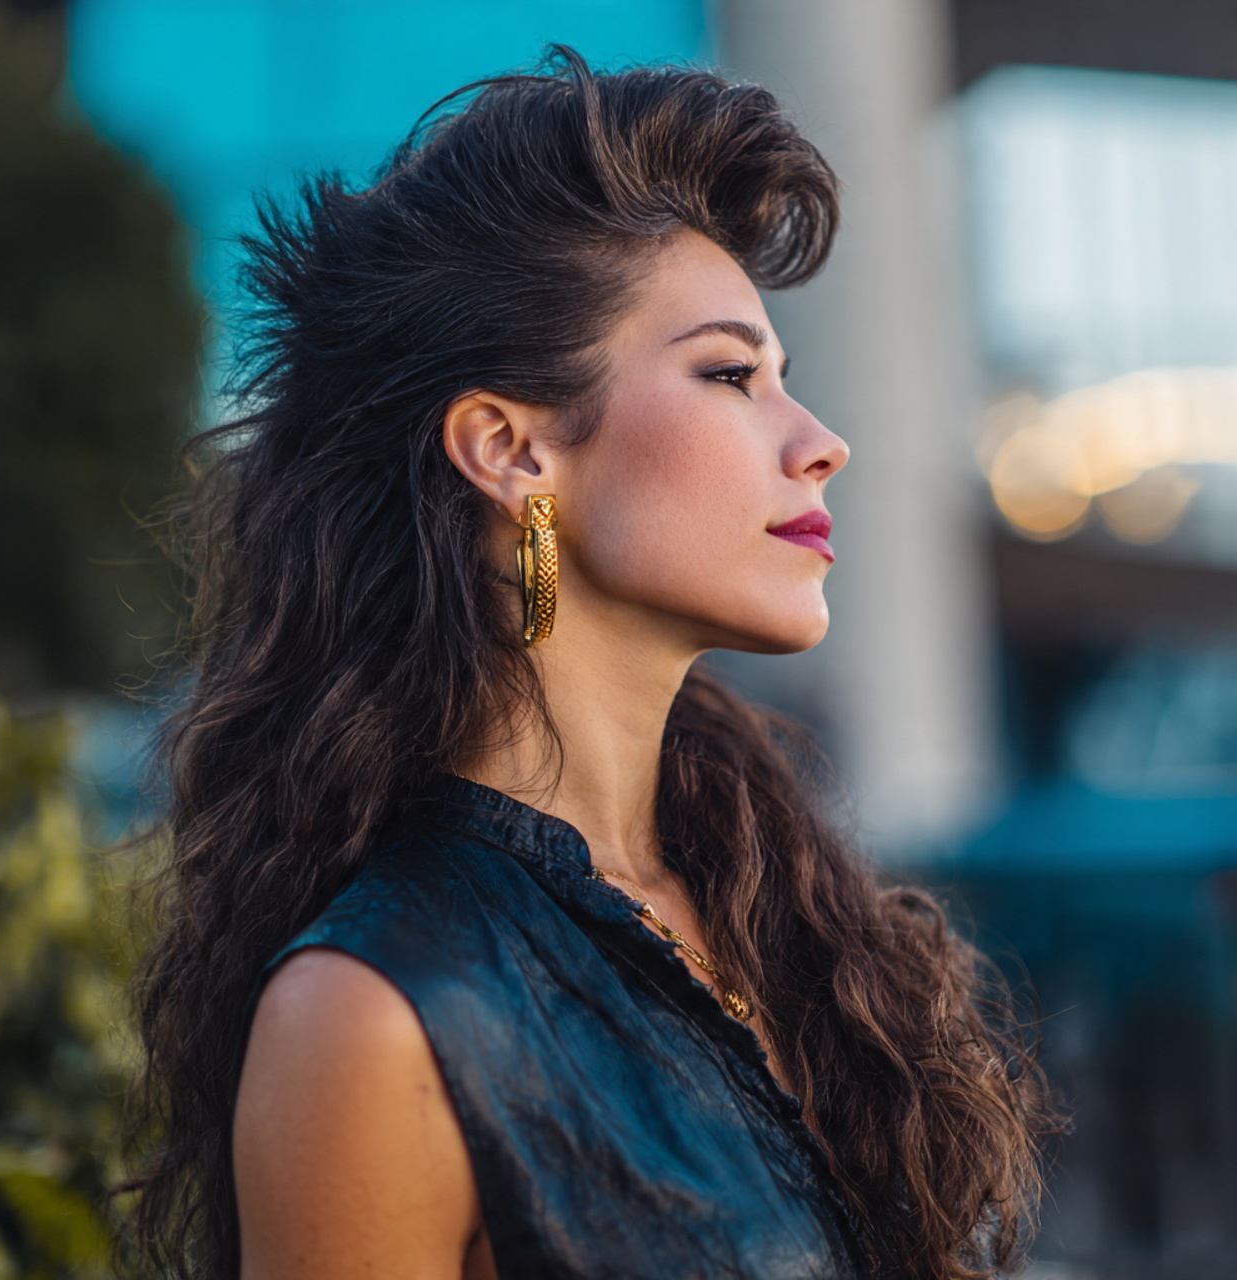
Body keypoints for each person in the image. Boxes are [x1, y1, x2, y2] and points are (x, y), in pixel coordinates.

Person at [123, 48, 1060, 1280]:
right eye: (730, 374)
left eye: (787, 380)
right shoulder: (380, 1011)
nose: (819, 442)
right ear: (510, 450)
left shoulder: (780, 909)